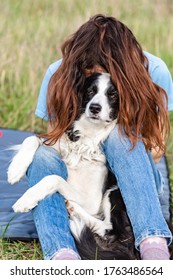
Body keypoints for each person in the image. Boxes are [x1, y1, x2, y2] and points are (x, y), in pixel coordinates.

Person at [27, 14, 173, 260]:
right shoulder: (59, 73)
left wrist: (106, 136)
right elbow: (56, 141)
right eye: (89, 69)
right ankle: (62, 254)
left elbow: (157, 148)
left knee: (118, 136)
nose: (97, 74)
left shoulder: (154, 69)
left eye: (107, 68)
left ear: (124, 65)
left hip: (131, 181)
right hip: (80, 176)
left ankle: (154, 244)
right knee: (41, 155)